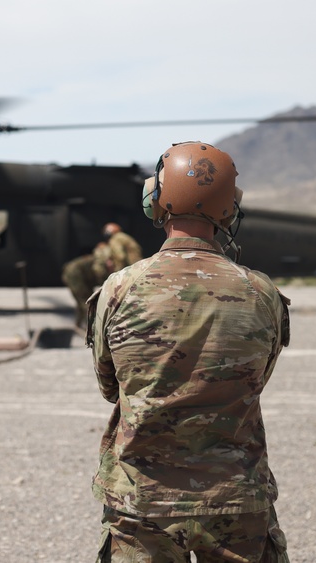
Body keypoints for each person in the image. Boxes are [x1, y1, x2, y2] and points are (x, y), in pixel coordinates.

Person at [87, 141, 291, 563]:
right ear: (229, 209)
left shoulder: (119, 288)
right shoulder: (260, 291)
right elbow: (257, 380)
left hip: (143, 503)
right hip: (236, 500)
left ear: (156, 201)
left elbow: (110, 385)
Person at [61, 241, 114, 328]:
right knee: (86, 302)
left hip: (81, 276)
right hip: (74, 275)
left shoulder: (101, 259)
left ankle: (79, 325)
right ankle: (91, 328)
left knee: (84, 301)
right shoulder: (101, 260)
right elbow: (99, 273)